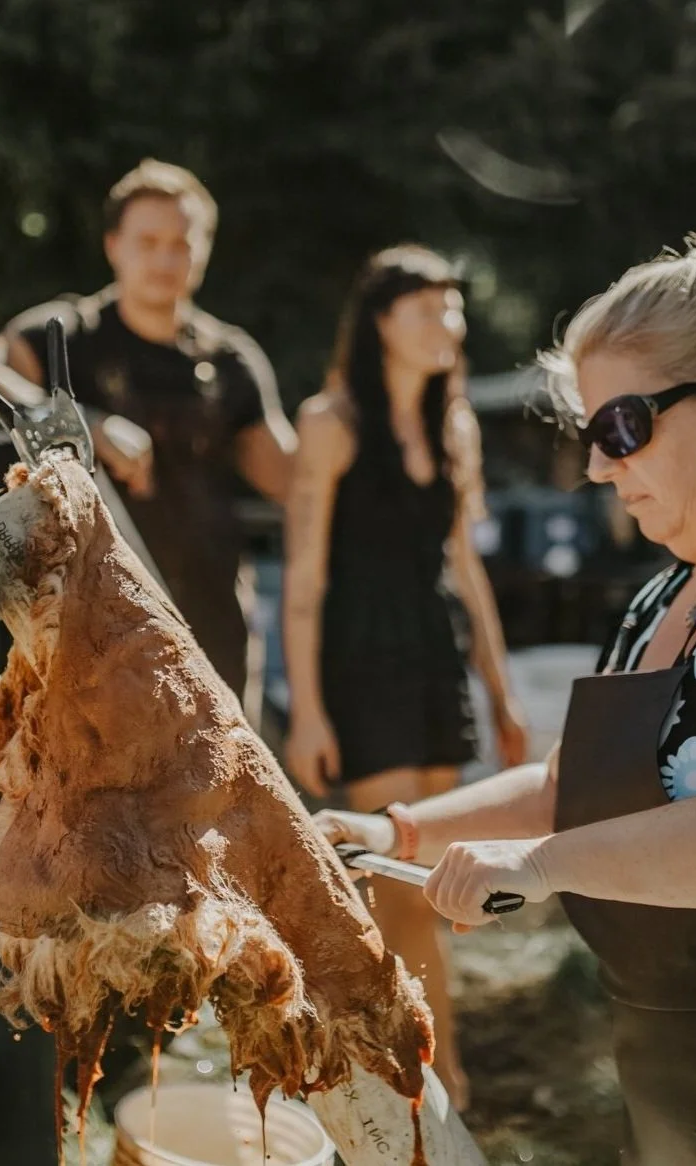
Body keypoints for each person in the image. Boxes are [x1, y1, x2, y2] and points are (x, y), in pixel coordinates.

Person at [315, 211, 696, 1165]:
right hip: (686, 1092)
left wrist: (544, 866)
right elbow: (575, 782)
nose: (596, 466)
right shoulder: (670, 590)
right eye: (588, 433)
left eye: (621, 427)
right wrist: (398, 832)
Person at [284, 244, 528, 1109]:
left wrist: (500, 696)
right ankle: (433, 1084)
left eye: (454, 310)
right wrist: (306, 711)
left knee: (435, 878)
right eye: (429, 310)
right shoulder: (331, 421)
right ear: (382, 322)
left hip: (433, 657)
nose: (449, 326)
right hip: (360, 658)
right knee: (401, 891)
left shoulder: (453, 424)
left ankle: (413, 1073)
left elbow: (466, 570)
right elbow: (305, 579)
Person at [0, 158, 296, 710]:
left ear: (205, 249)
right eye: (147, 241)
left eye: (181, 242)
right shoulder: (63, 335)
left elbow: (295, 482)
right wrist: (84, 424)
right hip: (81, 635)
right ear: (113, 244)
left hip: (203, 626)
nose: (165, 258)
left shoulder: (230, 360)